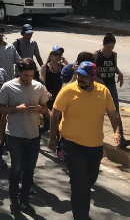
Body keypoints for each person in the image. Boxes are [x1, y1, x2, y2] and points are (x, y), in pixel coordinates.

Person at [49, 61, 122, 220]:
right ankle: (81, 216)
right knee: (81, 185)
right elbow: (55, 115)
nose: (80, 78)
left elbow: (112, 113)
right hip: (71, 144)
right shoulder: (68, 90)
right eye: (78, 75)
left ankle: (79, 193)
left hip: (95, 146)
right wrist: (53, 139)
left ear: (93, 76)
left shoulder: (103, 92)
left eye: (84, 76)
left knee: (89, 180)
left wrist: (117, 131)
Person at [0, 58, 49, 215]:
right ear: (19, 73)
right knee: (17, 168)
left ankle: (24, 199)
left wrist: (40, 108)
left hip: (33, 135)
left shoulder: (39, 87)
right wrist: (16, 109)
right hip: (15, 135)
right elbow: (0, 109)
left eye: (31, 75)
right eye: (26, 75)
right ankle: (13, 198)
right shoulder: (8, 87)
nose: (29, 79)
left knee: (29, 169)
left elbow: (46, 108)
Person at [94, 33, 129, 149]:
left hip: (111, 85)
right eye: (108, 47)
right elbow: (92, 71)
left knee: (115, 111)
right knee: (97, 112)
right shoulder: (97, 55)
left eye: (112, 47)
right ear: (103, 45)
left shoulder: (114, 55)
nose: (110, 50)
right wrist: (99, 81)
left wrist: (119, 73)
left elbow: (114, 67)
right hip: (99, 87)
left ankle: (121, 138)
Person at [40, 46, 66, 134]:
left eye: (60, 54)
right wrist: (46, 92)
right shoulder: (45, 67)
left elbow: (72, 73)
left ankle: (58, 145)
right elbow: (42, 82)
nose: (58, 57)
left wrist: (66, 62)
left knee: (60, 125)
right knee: (47, 126)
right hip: (49, 99)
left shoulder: (63, 67)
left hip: (59, 99)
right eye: (55, 54)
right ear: (51, 55)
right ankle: (35, 136)